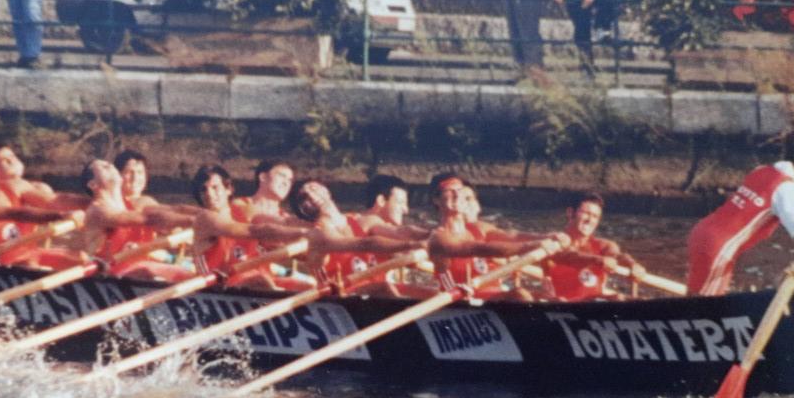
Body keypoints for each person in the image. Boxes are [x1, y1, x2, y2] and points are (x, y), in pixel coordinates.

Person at [686, 129, 794, 296]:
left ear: (785, 152)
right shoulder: (789, 191)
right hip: (718, 248)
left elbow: (792, 201)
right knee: (703, 307)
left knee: (696, 298)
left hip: (701, 233)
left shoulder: (762, 171)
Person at [426, 176, 566, 300]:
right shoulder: (438, 237)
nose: (457, 195)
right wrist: (533, 245)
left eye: (460, 191)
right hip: (460, 300)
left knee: (540, 297)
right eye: (450, 191)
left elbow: (513, 236)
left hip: (492, 297)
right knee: (519, 295)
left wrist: (548, 236)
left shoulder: (479, 228)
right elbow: (479, 249)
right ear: (436, 200)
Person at [0, 152, 87, 270]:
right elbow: (16, 213)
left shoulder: (14, 187)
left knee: (81, 258)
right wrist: (61, 216)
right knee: (29, 264)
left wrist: (92, 206)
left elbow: (56, 200)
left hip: (29, 255)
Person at [286, 179, 421, 295]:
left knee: (420, 289)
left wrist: (425, 239)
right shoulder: (315, 234)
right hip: (342, 296)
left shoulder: (365, 221)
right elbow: (366, 244)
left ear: (326, 191)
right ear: (302, 209)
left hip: (376, 298)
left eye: (313, 188)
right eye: (303, 197)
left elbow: (399, 233)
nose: (311, 195)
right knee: (384, 288)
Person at [75, 159, 197, 282]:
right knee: (156, 271)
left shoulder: (131, 205)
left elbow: (176, 208)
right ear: (93, 185)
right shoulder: (98, 211)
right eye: (105, 167)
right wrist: (192, 221)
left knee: (188, 270)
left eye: (110, 165)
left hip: (137, 271)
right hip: (108, 275)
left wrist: (205, 216)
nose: (111, 166)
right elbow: (149, 219)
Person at [188, 165, 306, 290]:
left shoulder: (244, 211)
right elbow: (253, 231)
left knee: (306, 286)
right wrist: (303, 233)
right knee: (257, 280)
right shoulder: (206, 218)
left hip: (254, 280)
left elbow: (273, 230)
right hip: (217, 286)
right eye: (203, 190)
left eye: (215, 188)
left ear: (229, 189)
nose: (209, 194)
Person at [540, 193, 645, 301]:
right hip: (561, 305)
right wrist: (597, 260)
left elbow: (617, 256)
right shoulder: (552, 241)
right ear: (570, 213)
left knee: (619, 298)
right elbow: (570, 256)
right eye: (586, 213)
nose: (590, 220)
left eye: (595, 216)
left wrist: (633, 264)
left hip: (593, 304)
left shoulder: (604, 245)